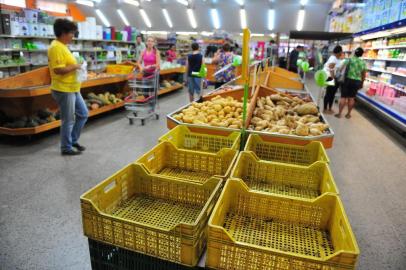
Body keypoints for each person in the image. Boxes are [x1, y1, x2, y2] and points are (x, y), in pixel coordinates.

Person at [48, 19, 88, 156]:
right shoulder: (56, 47)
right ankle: (66, 147)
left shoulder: (63, 46)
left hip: (72, 88)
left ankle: (72, 140)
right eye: (71, 33)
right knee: (69, 119)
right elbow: (58, 70)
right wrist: (76, 66)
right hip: (63, 89)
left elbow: (67, 64)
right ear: (63, 33)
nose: (73, 35)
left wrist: (78, 64)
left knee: (83, 114)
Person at [335, 47, 366, 119]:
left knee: (343, 97)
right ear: (361, 54)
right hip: (356, 82)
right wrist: (362, 83)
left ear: (355, 53)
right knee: (352, 98)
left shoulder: (349, 60)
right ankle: (348, 114)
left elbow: (341, 69)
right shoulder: (363, 63)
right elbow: (363, 74)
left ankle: (339, 114)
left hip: (347, 80)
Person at [323, 45, 343, 114]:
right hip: (330, 77)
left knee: (332, 94)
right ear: (339, 52)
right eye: (341, 52)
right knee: (329, 93)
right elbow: (331, 68)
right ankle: (325, 109)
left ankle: (329, 108)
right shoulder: (333, 58)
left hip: (333, 77)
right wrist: (333, 78)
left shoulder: (336, 58)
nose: (342, 53)